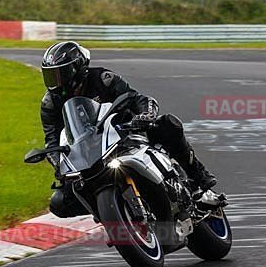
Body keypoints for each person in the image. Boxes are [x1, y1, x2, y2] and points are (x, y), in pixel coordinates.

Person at [39, 41, 217, 218]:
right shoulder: (50, 104)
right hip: (88, 153)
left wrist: (145, 116)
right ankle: (107, 212)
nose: (56, 82)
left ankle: (200, 182)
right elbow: (52, 140)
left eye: (60, 74)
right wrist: (58, 164)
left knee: (168, 125)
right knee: (60, 203)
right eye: (51, 76)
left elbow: (136, 98)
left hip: (126, 133)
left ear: (77, 67)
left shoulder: (103, 79)